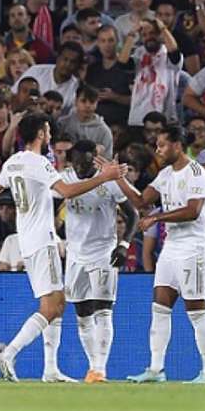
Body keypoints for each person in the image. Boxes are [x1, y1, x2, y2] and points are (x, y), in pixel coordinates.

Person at [0, 112, 126, 383]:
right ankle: (9, 353)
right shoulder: (40, 163)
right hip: (42, 239)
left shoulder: (13, 162)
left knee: (54, 303)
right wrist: (105, 176)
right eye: (48, 130)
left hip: (25, 238)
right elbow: (68, 191)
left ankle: (50, 369)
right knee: (53, 306)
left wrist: (23, 197)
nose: (50, 135)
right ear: (40, 133)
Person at [111, 125, 205, 385]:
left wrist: (157, 218)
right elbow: (141, 202)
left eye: (162, 145)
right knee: (160, 308)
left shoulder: (196, 173)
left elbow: (193, 210)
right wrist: (117, 178)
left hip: (194, 247)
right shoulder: (165, 174)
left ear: (177, 145)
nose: (158, 150)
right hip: (172, 247)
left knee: (196, 310)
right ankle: (156, 369)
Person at [60, 140, 139, 383]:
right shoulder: (64, 178)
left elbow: (133, 213)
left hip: (103, 251)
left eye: (86, 162)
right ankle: (92, 366)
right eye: (77, 162)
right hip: (75, 253)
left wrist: (124, 244)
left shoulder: (110, 181)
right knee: (82, 313)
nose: (81, 167)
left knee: (103, 310)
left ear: (95, 159)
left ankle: (99, 369)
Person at [120, 18, 184, 127]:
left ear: (160, 35)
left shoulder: (167, 54)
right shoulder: (139, 53)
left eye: (152, 33)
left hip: (164, 120)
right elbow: (122, 63)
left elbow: (174, 51)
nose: (148, 37)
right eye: (144, 35)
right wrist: (131, 34)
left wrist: (163, 28)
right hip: (137, 119)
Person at [13, 42, 84, 116]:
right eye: (65, 59)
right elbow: (13, 95)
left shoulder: (77, 88)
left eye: (73, 62)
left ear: (78, 65)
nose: (67, 64)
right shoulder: (35, 71)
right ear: (57, 57)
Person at [57, 84, 114, 157]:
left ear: (97, 104)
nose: (88, 105)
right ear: (76, 101)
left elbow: (107, 159)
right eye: (83, 101)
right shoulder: (62, 123)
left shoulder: (104, 132)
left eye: (92, 102)